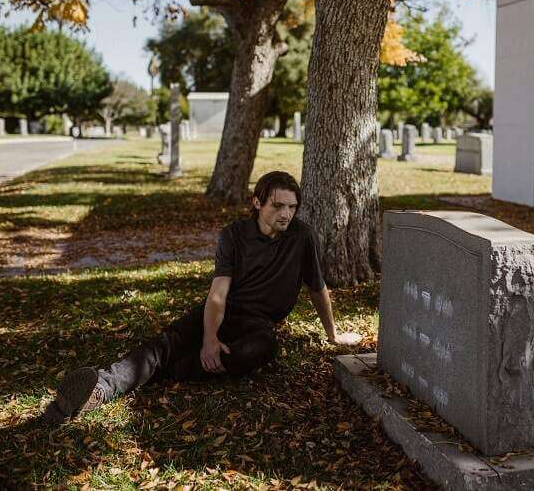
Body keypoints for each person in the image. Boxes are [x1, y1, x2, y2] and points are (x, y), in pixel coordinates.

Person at [43, 171, 362, 424]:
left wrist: (333, 335)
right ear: (257, 202)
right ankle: (99, 389)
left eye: (292, 207)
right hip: (223, 312)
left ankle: (167, 370)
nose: (286, 214)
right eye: (277, 205)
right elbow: (218, 294)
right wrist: (210, 338)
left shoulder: (302, 236)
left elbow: (317, 286)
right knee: (162, 346)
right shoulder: (234, 235)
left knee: (253, 352)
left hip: (259, 325)